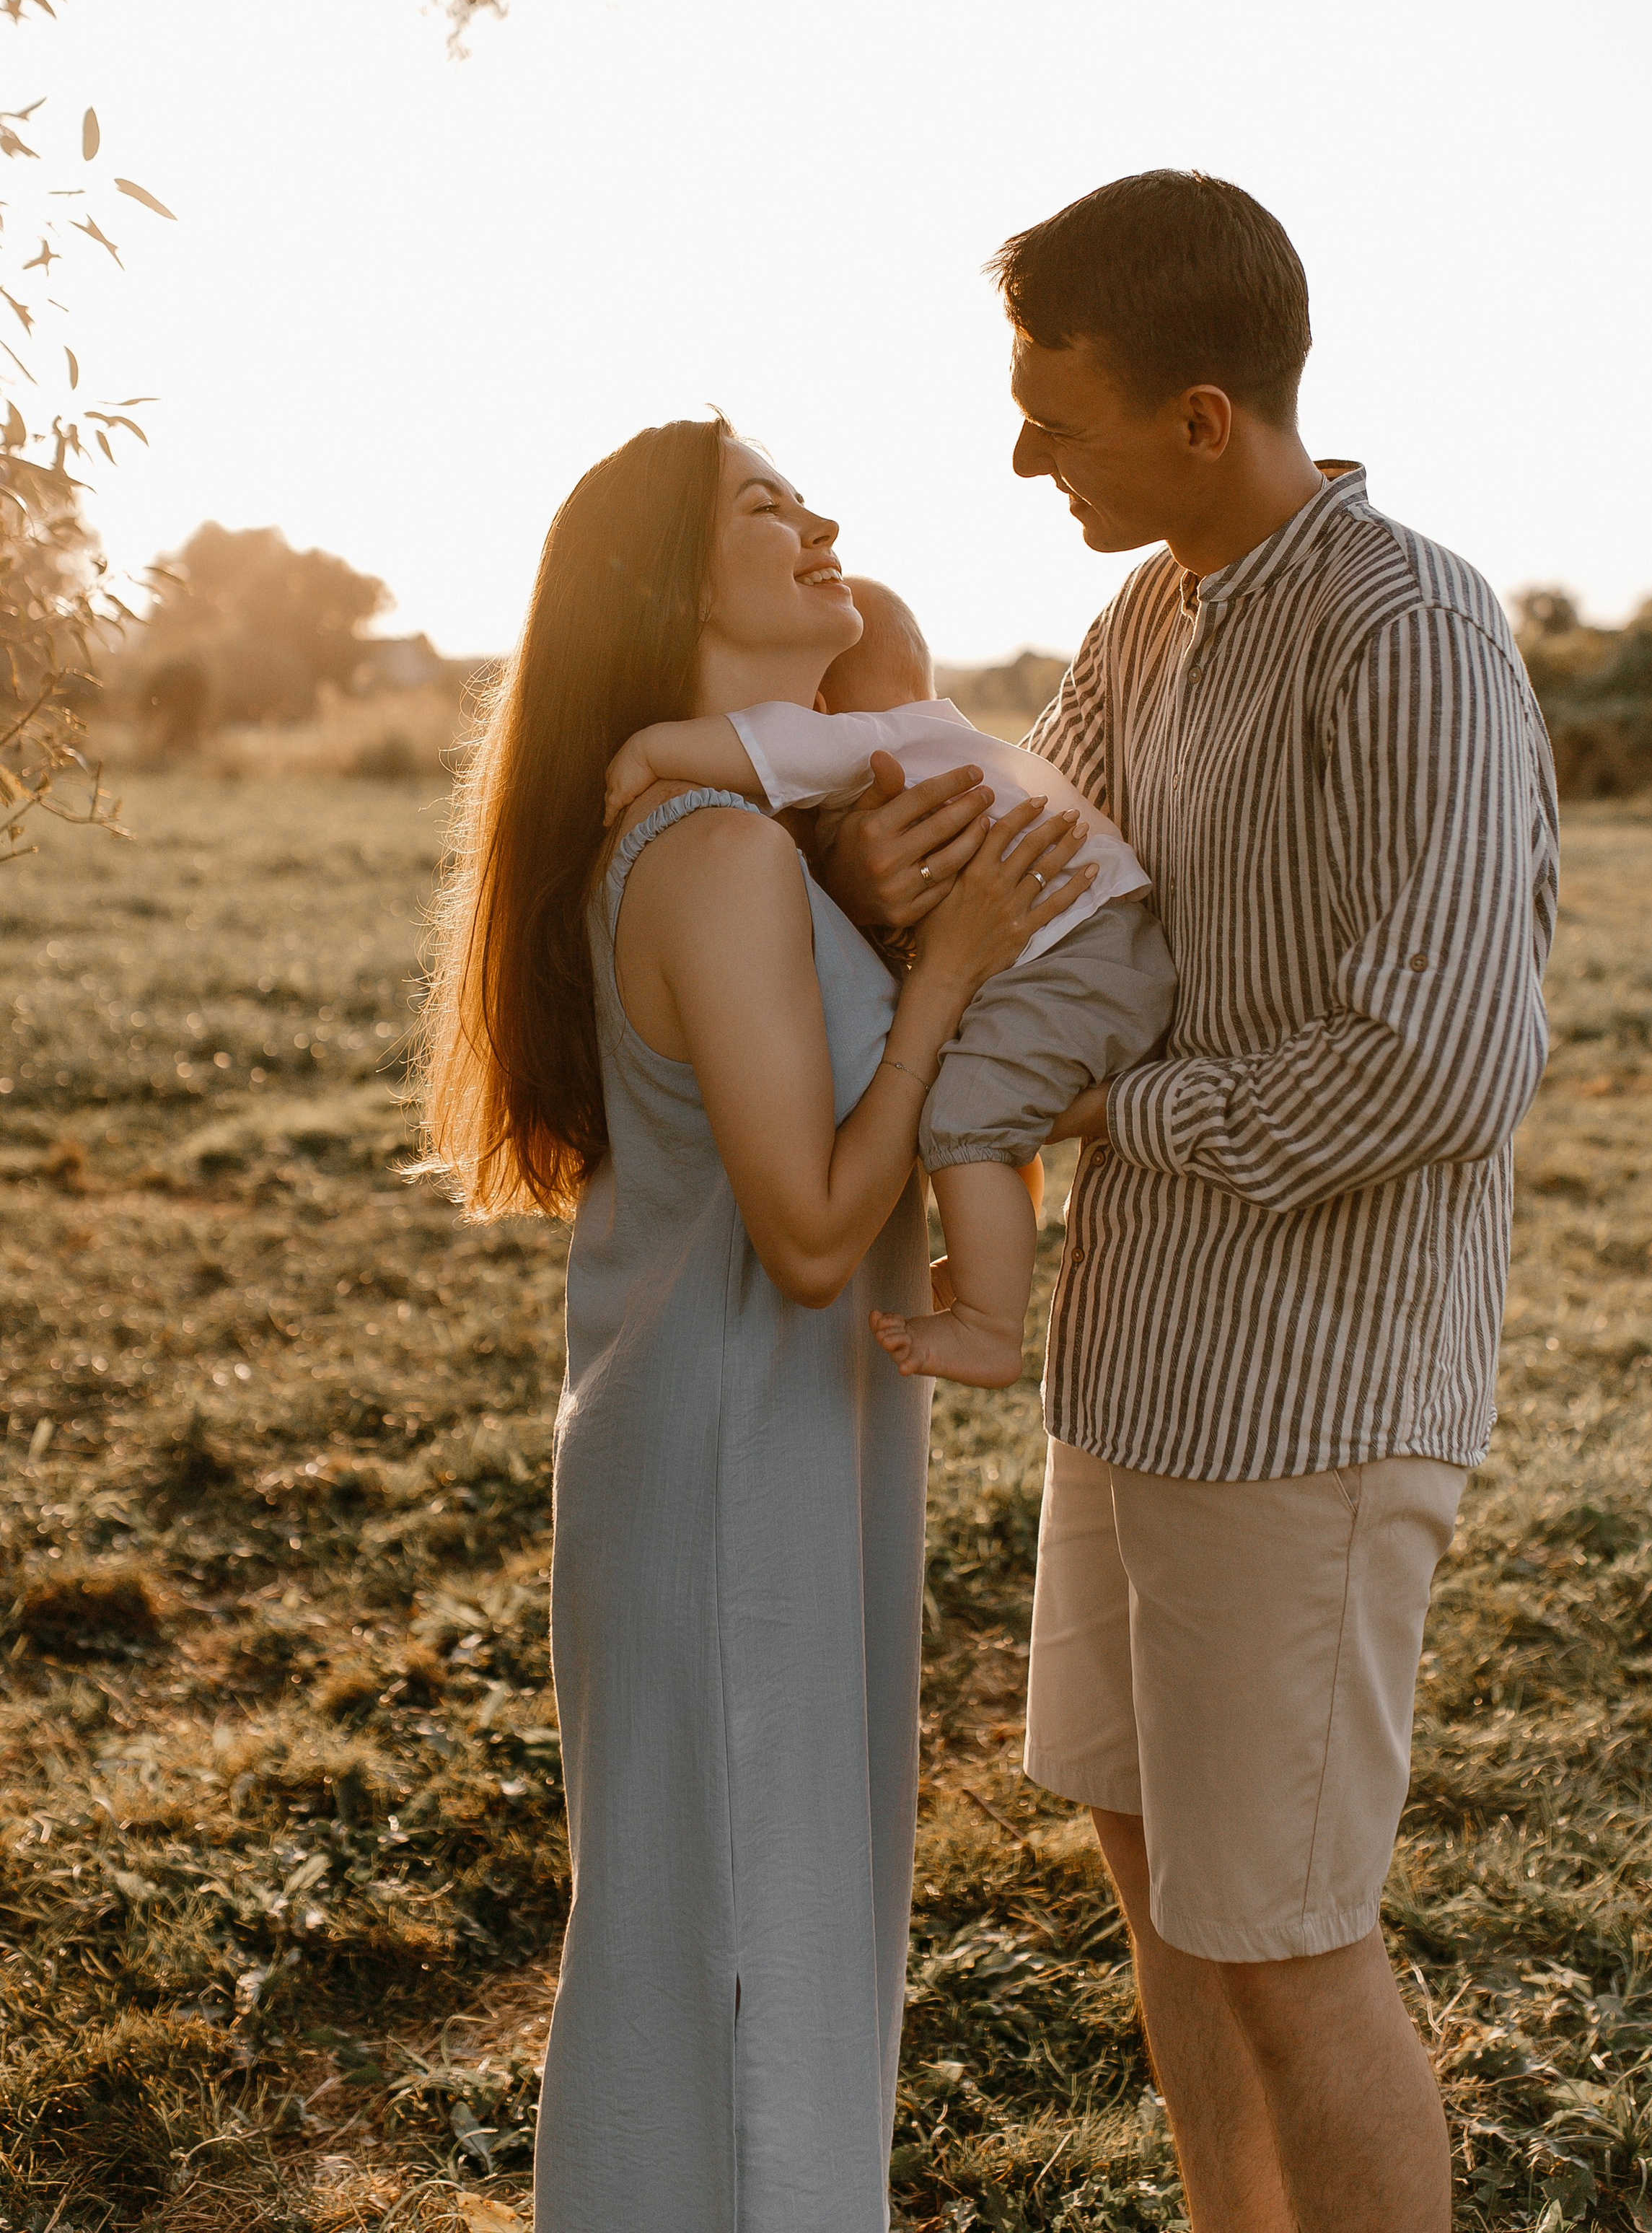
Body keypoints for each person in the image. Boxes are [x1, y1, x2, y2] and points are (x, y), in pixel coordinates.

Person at [818, 172, 1560, 2233]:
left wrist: (1121, 1119)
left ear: (1207, 414)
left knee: (1290, 1936)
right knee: (1164, 1896)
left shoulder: (1410, 626)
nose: (1025, 452)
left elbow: (1438, 1063)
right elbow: (1029, 870)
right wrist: (893, 869)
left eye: (1057, 411)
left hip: (1310, 1403)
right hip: (1133, 1369)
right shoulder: (1141, 616)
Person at [416, 417, 1093, 2232]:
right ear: (663, 586)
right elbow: (806, 1231)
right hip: (735, 1440)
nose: (818, 524)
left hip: (765, 1430)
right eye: (763, 505)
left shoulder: (742, 837)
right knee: (745, 1953)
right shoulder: (709, 851)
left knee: (753, 1935)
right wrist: (949, 970)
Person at [601, 574, 1176, 1385]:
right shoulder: (951, 736)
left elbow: (761, 746)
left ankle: (987, 1319)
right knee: (981, 1097)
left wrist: (650, 748)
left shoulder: (873, 742)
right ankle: (986, 1254)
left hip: (1073, 955)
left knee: (976, 1113)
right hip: (1107, 946)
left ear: (823, 711)